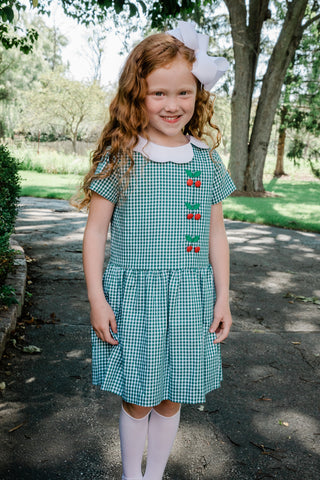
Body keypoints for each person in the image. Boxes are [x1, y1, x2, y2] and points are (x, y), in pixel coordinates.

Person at [81, 20, 236, 480]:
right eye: (159, 94)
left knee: (175, 394)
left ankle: (155, 475)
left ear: (198, 95)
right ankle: (133, 475)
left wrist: (223, 295)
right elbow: (94, 233)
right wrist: (96, 298)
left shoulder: (206, 160)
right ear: (138, 95)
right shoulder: (122, 154)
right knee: (141, 395)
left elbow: (216, 235)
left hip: (191, 296)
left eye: (183, 93)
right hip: (137, 297)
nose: (173, 105)